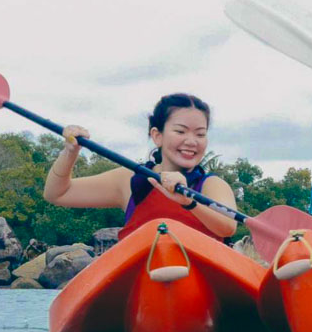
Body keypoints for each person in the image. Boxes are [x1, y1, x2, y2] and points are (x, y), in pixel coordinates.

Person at [43, 93, 237, 241]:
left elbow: (228, 228)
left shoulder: (211, 185)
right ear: (157, 135)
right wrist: (70, 152)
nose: (191, 141)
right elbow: (57, 194)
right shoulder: (130, 180)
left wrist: (189, 202)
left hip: (199, 282)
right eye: (180, 131)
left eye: (200, 134)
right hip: (142, 279)